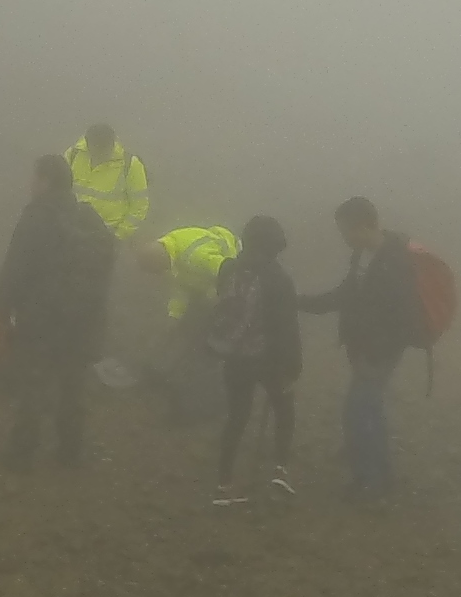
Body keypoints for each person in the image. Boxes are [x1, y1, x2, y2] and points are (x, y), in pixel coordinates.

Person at [295, 195, 425, 502]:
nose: (343, 238)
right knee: (367, 410)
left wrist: (374, 354)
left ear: (364, 227)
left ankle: (372, 482)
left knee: (360, 411)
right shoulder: (363, 256)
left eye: (345, 231)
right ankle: (375, 476)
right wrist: (301, 302)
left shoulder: (395, 262)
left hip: (378, 353)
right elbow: (345, 295)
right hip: (366, 351)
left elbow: (401, 317)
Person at [0, 149, 117, 469]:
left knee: (33, 384)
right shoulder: (88, 216)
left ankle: (22, 453)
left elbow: (15, 267)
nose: (30, 183)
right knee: (73, 385)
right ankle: (70, 451)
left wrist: (1, 309)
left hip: (42, 318)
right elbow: (105, 264)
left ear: (45, 181)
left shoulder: (36, 216)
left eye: (34, 176)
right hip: (83, 318)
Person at [206, 214, 302, 507]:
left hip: (235, 358)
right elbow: (287, 328)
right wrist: (293, 367)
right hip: (269, 360)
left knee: (236, 417)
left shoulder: (228, 268)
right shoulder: (279, 279)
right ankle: (280, 469)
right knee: (283, 409)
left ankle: (224, 482)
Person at [150, 222, 239, 414]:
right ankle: (180, 374)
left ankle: (210, 394)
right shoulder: (172, 254)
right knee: (190, 330)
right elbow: (181, 287)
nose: (157, 276)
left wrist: (213, 296)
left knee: (208, 343)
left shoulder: (198, 257)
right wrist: (174, 315)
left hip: (223, 288)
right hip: (206, 285)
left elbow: (233, 276)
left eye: (155, 271)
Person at [64, 122, 152, 244]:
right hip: (70, 233)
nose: (100, 154)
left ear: (112, 144)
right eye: (96, 148)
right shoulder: (73, 155)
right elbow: (57, 191)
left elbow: (139, 206)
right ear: (88, 143)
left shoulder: (130, 164)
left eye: (104, 149)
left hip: (107, 239)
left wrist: (118, 236)